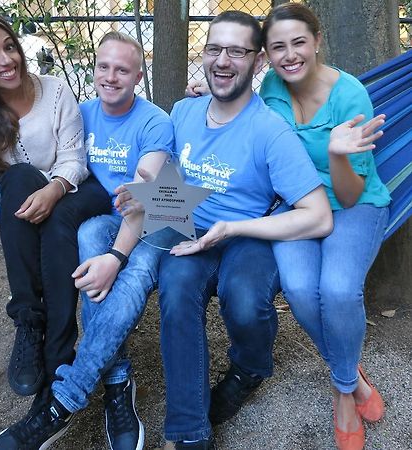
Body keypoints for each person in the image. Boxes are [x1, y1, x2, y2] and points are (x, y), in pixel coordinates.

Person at [187, 4, 390, 450]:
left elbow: (351, 194)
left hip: (352, 203)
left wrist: (337, 153)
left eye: (299, 42)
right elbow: (241, 105)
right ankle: (351, 373)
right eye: (278, 46)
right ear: (267, 56)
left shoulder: (350, 95)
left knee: (337, 291)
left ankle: (342, 390)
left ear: (318, 41)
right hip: (294, 204)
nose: (289, 54)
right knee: (298, 289)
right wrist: (208, 90)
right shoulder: (273, 85)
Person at [0, 31, 175, 450]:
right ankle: (117, 380)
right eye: (103, 67)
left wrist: (118, 257)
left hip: (156, 218)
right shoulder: (81, 113)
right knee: (89, 234)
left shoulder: (154, 122)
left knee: (135, 270)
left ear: (138, 77)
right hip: (100, 219)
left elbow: (148, 196)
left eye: (122, 69)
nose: (111, 76)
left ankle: (66, 398)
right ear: (93, 71)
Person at [157, 10, 338, 450]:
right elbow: (163, 179)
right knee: (176, 288)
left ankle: (249, 367)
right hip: (189, 228)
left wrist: (232, 227)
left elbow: (319, 215)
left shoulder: (270, 131)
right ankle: (188, 433)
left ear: (257, 63)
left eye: (237, 51)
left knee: (243, 299)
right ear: (203, 55)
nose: (223, 61)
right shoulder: (183, 110)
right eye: (215, 48)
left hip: (249, 231)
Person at [0, 2, 111, 424]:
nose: (5, 59)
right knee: (20, 177)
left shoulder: (55, 89)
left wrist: (55, 189)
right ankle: (34, 327)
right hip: (22, 201)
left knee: (49, 206)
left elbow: (74, 159)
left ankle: (51, 349)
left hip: (75, 190)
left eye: (8, 46)